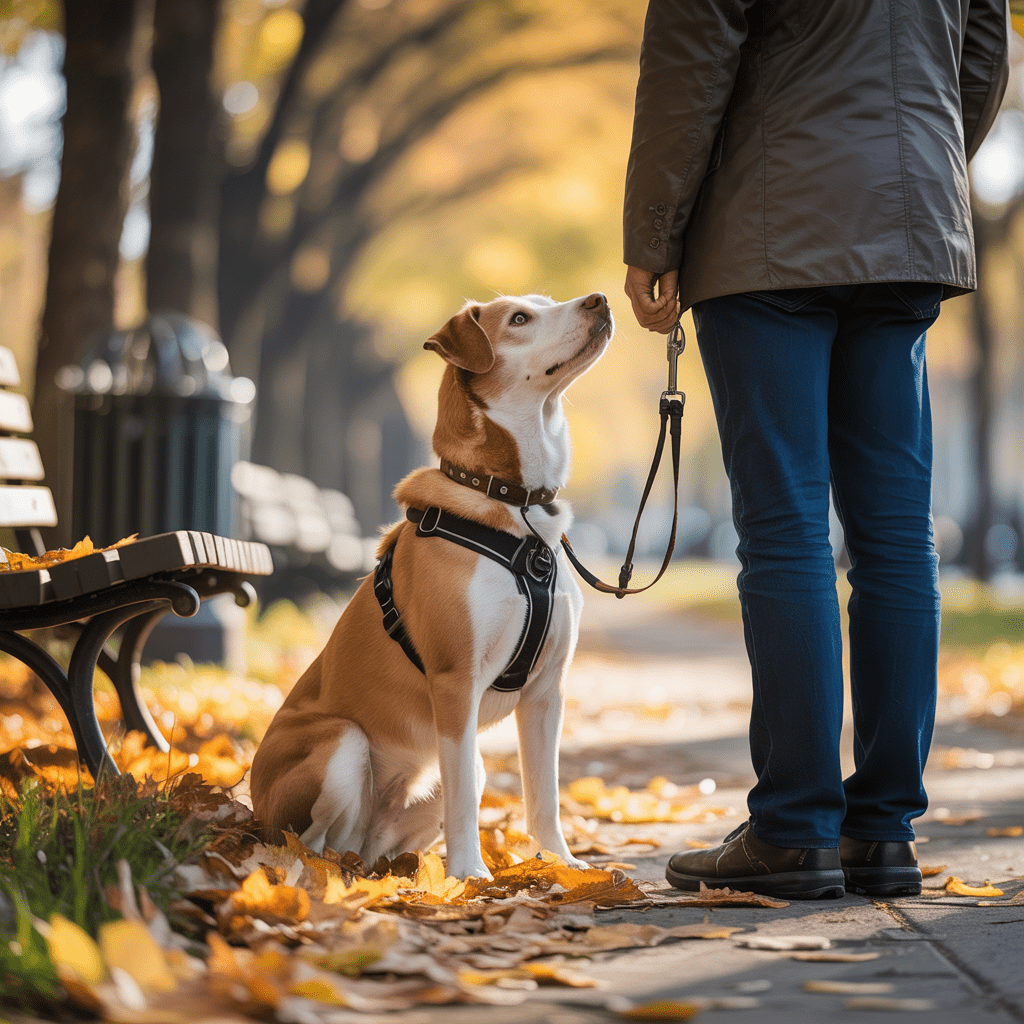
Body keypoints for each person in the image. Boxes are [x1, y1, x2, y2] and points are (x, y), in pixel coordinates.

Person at [623, 0, 1010, 899]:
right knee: (897, 536)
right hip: (911, 221)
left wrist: (654, 236)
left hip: (768, 225)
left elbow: (689, 58)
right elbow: (985, 53)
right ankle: (882, 833)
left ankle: (795, 831)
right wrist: (916, 157)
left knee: (786, 526)